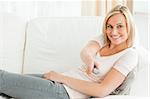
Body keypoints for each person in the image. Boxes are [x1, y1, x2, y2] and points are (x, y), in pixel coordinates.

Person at [0, 5, 138, 99]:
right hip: (59, 82)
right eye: (110, 26)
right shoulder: (104, 39)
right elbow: (86, 51)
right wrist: (90, 60)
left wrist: (61, 78)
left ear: (129, 27)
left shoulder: (129, 55)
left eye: (120, 26)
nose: (113, 32)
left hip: (66, 92)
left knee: (2, 79)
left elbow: (101, 90)